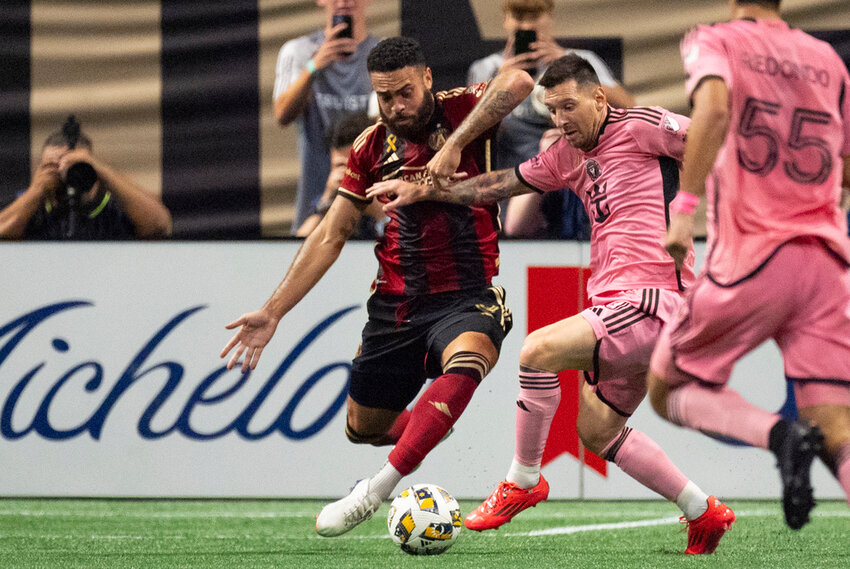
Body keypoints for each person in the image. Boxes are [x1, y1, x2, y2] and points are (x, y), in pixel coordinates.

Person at [368, 53, 735, 555]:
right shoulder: (566, 154)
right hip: (616, 303)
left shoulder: (644, 125)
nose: (561, 120)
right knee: (598, 431)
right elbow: (495, 185)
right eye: (552, 110)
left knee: (536, 350)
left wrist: (698, 209)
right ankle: (703, 511)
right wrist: (418, 189)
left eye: (569, 106)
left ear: (599, 97)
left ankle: (522, 480)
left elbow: (715, 141)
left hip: (655, 299)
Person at [221, 37, 534, 537]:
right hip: (395, 306)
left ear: (427, 78)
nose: (395, 106)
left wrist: (454, 145)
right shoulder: (370, 145)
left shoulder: (464, 108)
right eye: (384, 96)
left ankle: (375, 490)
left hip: (466, 293)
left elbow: (519, 81)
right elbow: (331, 232)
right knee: (361, 428)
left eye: (405, 92)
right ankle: (430, 421)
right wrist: (274, 310)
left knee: (470, 357)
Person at [647, 0, 850, 531]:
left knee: (668, 389)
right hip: (828, 259)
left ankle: (778, 438)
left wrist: (683, 210)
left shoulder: (714, 39)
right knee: (836, 427)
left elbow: (712, 110)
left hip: (755, 254)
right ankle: (797, 438)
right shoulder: (827, 58)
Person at [468, 0, 634, 172]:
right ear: (506, 20)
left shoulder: (581, 60)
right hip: (512, 172)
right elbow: (475, 137)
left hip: (573, 170)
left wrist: (574, 70)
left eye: (534, 16)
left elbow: (628, 107)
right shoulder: (486, 69)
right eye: (518, 17)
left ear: (550, 18)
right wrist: (498, 84)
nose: (526, 25)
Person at [273, 0, 380, 233]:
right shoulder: (299, 52)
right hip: (317, 197)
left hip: (373, 200)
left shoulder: (382, 56)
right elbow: (281, 114)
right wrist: (314, 66)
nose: (345, 2)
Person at [0, 118, 172, 240]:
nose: (63, 175)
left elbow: (160, 226)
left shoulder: (115, 202)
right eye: (53, 166)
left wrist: (101, 171)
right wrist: (37, 190)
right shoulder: (32, 205)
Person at [295, 111, 383, 238]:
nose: (347, 175)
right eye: (339, 166)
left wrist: (374, 208)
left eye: (352, 166)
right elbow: (297, 246)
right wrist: (326, 203)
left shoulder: (393, 194)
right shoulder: (332, 197)